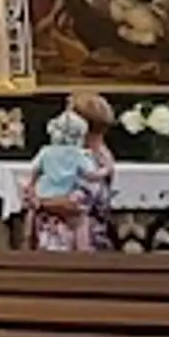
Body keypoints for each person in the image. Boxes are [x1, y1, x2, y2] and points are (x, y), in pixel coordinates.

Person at [19, 93, 122, 252]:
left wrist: (39, 202)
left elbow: (77, 204)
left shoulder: (96, 158)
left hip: (81, 241)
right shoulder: (64, 152)